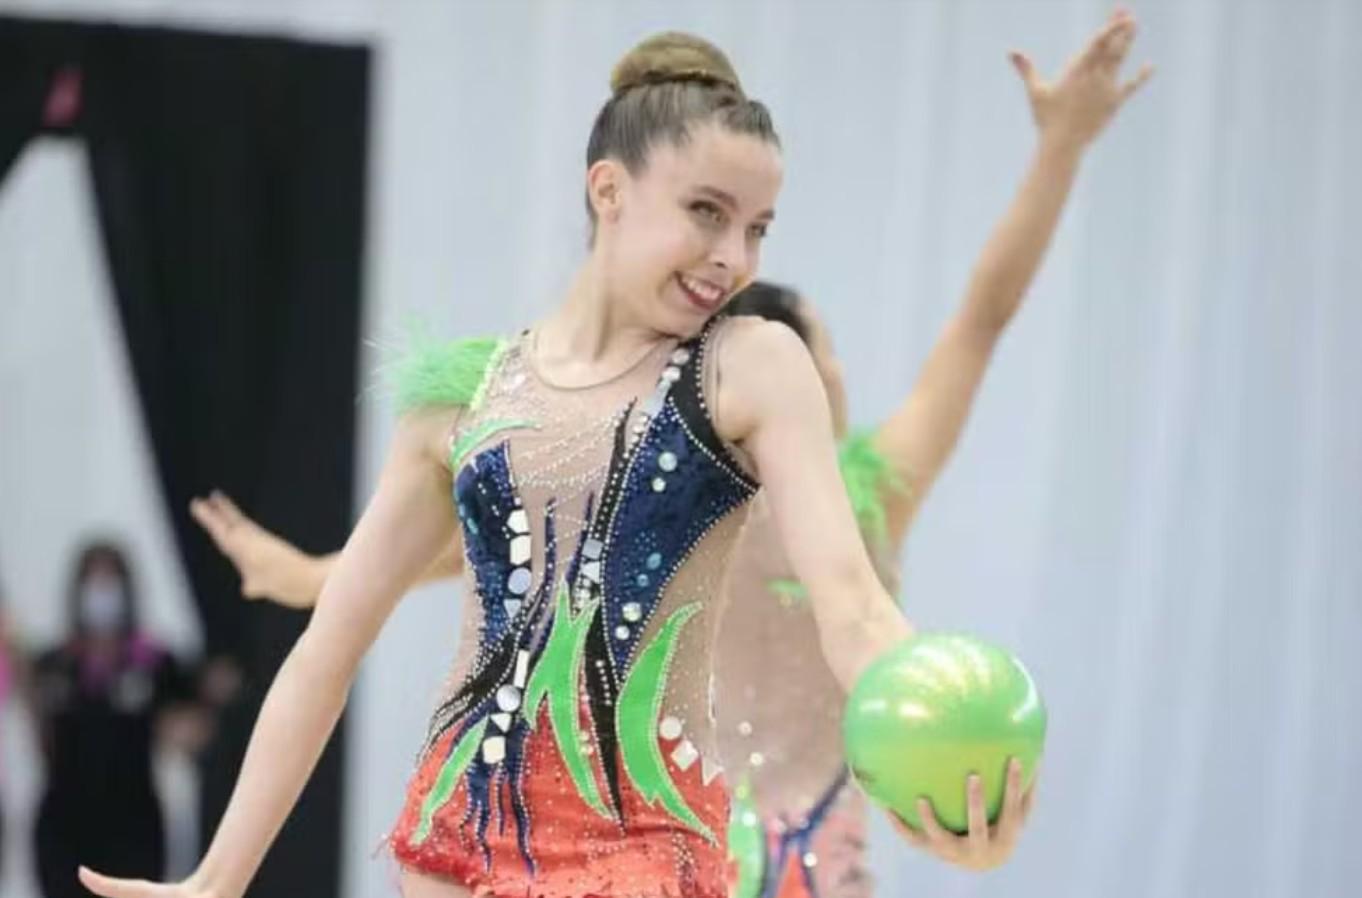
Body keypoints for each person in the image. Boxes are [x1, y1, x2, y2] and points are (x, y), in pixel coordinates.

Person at [79, 19, 1147, 897]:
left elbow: (858, 611)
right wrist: (216, 878)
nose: (734, 257)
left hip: (662, 853)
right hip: (457, 841)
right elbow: (333, 647)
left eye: (759, 228)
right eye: (707, 214)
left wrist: (939, 774)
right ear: (609, 191)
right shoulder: (464, 400)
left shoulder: (747, 371)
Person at [29, 541, 200, 898]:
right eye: (93, 581)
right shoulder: (55, 664)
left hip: (134, 824)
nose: (102, 593)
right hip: (66, 825)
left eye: (110, 581)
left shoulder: (155, 662)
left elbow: (189, 727)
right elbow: (41, 736)